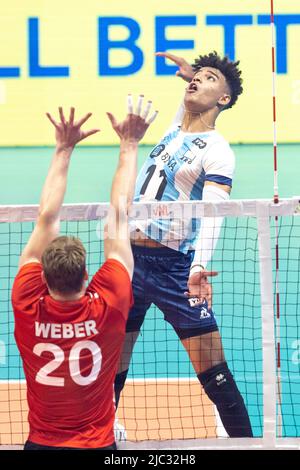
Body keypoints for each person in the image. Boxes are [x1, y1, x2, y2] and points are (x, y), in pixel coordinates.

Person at [114, 51, 253, 438]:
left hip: (175, 269)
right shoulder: (174, 130)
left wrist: (197, 268)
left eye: (210, 79)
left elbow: (213, 212)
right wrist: (192, 76)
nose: (196, 82)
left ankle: (246, 443)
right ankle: (105, 426)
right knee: (114, 360)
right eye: (197, 77)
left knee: (215, 373)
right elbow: (187, 107)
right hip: (129, 260)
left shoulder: (218, 150)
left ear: (224, 99)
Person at [11, 99, 157, 450]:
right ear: (87, 274)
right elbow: (120, 215)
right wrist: (130, 144)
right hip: (98, 445)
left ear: (43, 277)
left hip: (42, 444)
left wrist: (62, 149)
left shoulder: (27, 301)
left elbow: (46, 217)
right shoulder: (109, 301)